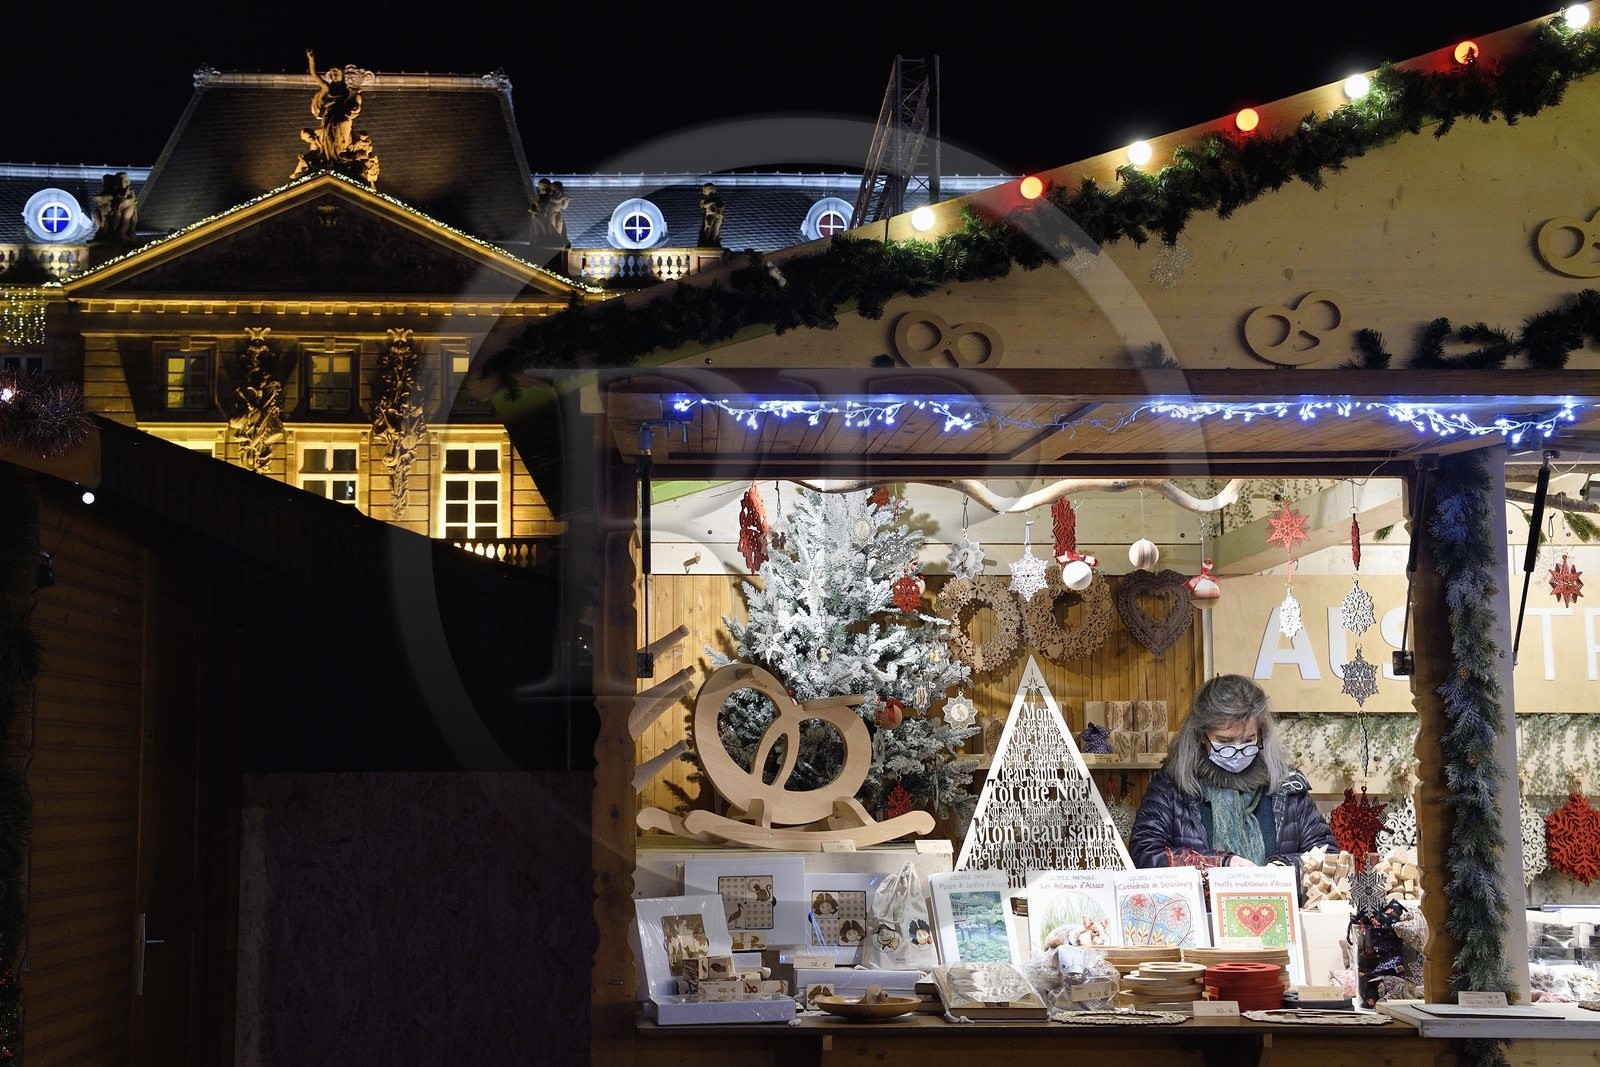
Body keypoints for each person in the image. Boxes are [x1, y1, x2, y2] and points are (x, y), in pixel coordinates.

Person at [1129, 674, 1335, 884]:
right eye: (1224, 741)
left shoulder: (1286, 784)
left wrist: (1283, 869)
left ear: (1262, 733)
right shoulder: (1172, 784)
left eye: (1248, 740)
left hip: (1278, 911)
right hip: (1203, 914)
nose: (1237, 750)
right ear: (1201, 734)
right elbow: (1145, 853)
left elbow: (1325, 853)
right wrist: (1218, 866)